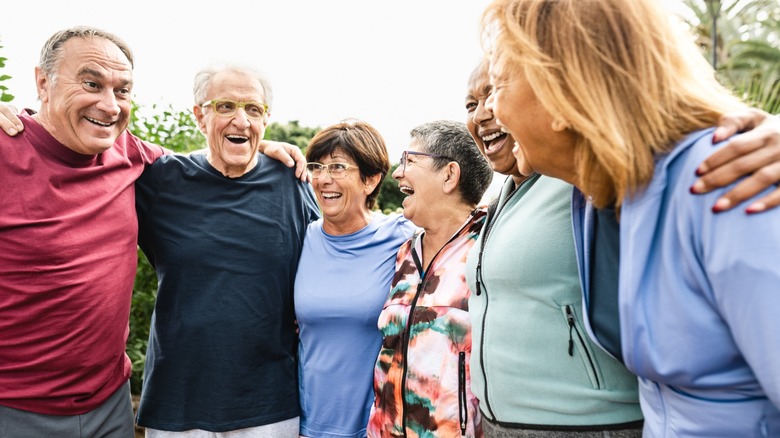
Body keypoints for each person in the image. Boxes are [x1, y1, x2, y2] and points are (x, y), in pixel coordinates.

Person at [481, 0, 780, 436]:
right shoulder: (601, 197)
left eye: (497, 85)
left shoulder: (728, 181)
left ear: (562, 93)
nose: (493, 110)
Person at [0, 27, 303, 438]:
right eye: (91, 83)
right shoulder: (6, 148)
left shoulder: (132, 157)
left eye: (122, 90)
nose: (108, 105)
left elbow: (211, 166)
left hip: (109, 405)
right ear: (42, 82)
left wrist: (264, 147)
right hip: (14, 407)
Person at [134, 63, 320, 437]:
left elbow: (332, 256)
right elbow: (86, 164)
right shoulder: (161, 180)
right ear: (199, 116)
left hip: (268, 401)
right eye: (225, 107)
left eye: (254, 110)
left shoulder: (291, 182)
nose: (242, 120)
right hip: (178, 399)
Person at [367, 120, 493, 438]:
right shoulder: (403, 251)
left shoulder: (492, 248)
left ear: (449, 175)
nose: (397, 173)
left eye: (409, 160)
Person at [295, 119, 417, 438]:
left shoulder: (401, 236)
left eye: (338, 167)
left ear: (371, 180)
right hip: (305, 423)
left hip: (377, 426)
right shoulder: (300, 238)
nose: (323, 179)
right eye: (317, 167)